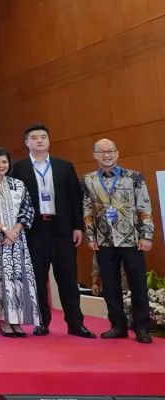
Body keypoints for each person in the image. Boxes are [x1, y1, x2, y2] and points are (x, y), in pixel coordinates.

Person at [10, 123, 94, 338]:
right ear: (26, 142)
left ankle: (75, 323)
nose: (39, 141)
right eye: (34, 138)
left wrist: (78, 226)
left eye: (43, 137)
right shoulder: (18, 169)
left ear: (49, 141)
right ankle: (41, 322)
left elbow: (75, 198)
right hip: (34, 230)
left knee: (68, 278)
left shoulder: (64, 166)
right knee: (37, 279)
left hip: (62, 229)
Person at [81, 139, 154, 344]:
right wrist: (90, 236)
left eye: (110, 151)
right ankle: (117, 326)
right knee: (110, 287)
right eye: (102, 152)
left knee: (138, 285)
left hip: (132, 239)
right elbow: (86, 209)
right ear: (95, 155)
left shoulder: (134, 177)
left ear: (117, 153)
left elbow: (144, 206)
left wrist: (146, 235)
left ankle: (142, 328)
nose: (107, 155)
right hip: (103, 240)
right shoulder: (88, 180)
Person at [0, 148, 38, 337]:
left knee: (19, 279)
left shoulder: (18, 184)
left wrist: (15, 231)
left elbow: (27, 209)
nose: (1, 165)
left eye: (4, 162)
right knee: (0, 280)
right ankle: (4, 321)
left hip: (17, 240)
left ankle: (17, 320)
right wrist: (5, 230)